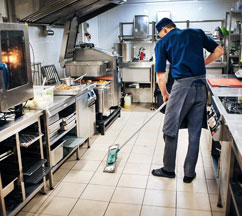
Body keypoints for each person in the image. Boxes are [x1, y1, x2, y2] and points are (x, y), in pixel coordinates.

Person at [152, 18, 224, 183]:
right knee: (194, 132)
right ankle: (189, 173)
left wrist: (164, 94)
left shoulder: (163, 43)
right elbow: (219, 51)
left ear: (163, 29)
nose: (160, 37)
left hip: (182, 87)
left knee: (170, 129)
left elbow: (161, 75)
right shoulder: (197, 33)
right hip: (201, 86)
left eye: (159, 34)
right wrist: (203, 63)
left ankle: (168, 169)